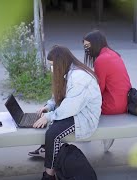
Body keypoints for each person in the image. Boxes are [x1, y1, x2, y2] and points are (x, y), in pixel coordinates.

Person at [32, 45, 102, 180]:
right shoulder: (68, 71)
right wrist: (49, 107)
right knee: (50, 127)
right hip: (74, 111)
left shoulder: (79, 77)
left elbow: (71, 107)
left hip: (84, 116)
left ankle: (49, 175)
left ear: (60, 63)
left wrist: (48, 117)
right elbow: (59, 95)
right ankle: (49, 158)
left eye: (52, 65)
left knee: (53, 134)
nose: (51, 69)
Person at [83, 30, 132, 151]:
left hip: (113, 105)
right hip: (126, 100)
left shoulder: (101, 60)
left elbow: (98, 90)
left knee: (82, 105)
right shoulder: (113, 54)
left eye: (87, 46)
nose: (86, 50)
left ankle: (88, 133)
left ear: (96, 44)